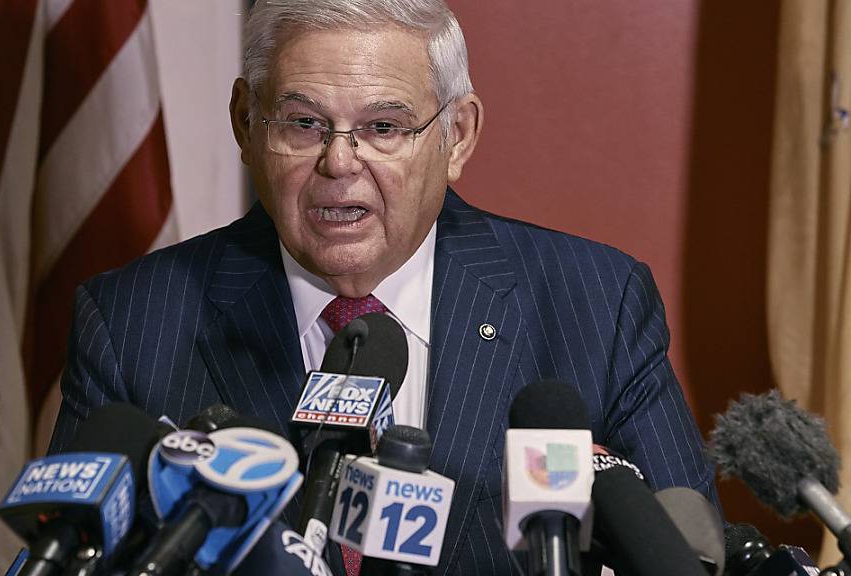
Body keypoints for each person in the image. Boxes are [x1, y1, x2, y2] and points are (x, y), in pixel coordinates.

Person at [49, 1, 720, 573]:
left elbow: (687, 552)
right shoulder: (132, 322)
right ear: (246, 124)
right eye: (303, 122)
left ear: (457, 137)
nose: (339, 162)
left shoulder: (595, 306)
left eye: (383, 127)